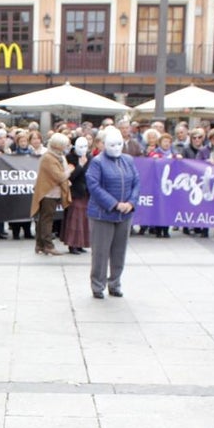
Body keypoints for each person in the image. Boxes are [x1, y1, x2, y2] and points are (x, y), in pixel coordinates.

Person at [86, 127, 139, 299]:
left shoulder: (128, 160)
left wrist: (131, 203)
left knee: (119, 251)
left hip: (124, 215)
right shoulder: (97, 162)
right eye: (112, 144)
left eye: (118, 144)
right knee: (100, 252)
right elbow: (94, 186)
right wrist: (114, 204)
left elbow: (136, 182)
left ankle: (115, 283)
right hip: (103, 214)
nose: (116, 148)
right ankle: (98, 285)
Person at [31, 133, 72, 257]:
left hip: (54, 192)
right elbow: (59, 176)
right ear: (58, 146)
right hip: (48, 193)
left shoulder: (59, 156)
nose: (66, 146)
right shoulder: (48, 158)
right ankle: (48, 245)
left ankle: (40, 245)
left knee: (44, 219)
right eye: (64, 145)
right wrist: (69, 171)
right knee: (46, 220)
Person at [61, 135, 92, 253]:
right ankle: (72, 244)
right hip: (74, 191)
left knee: (84, 219)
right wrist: (80, 166)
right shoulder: (69, 157)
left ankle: (80, 243)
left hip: (86, 192)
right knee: (74, 218)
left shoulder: (89, 157)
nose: (83, 149)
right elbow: (70, 176)